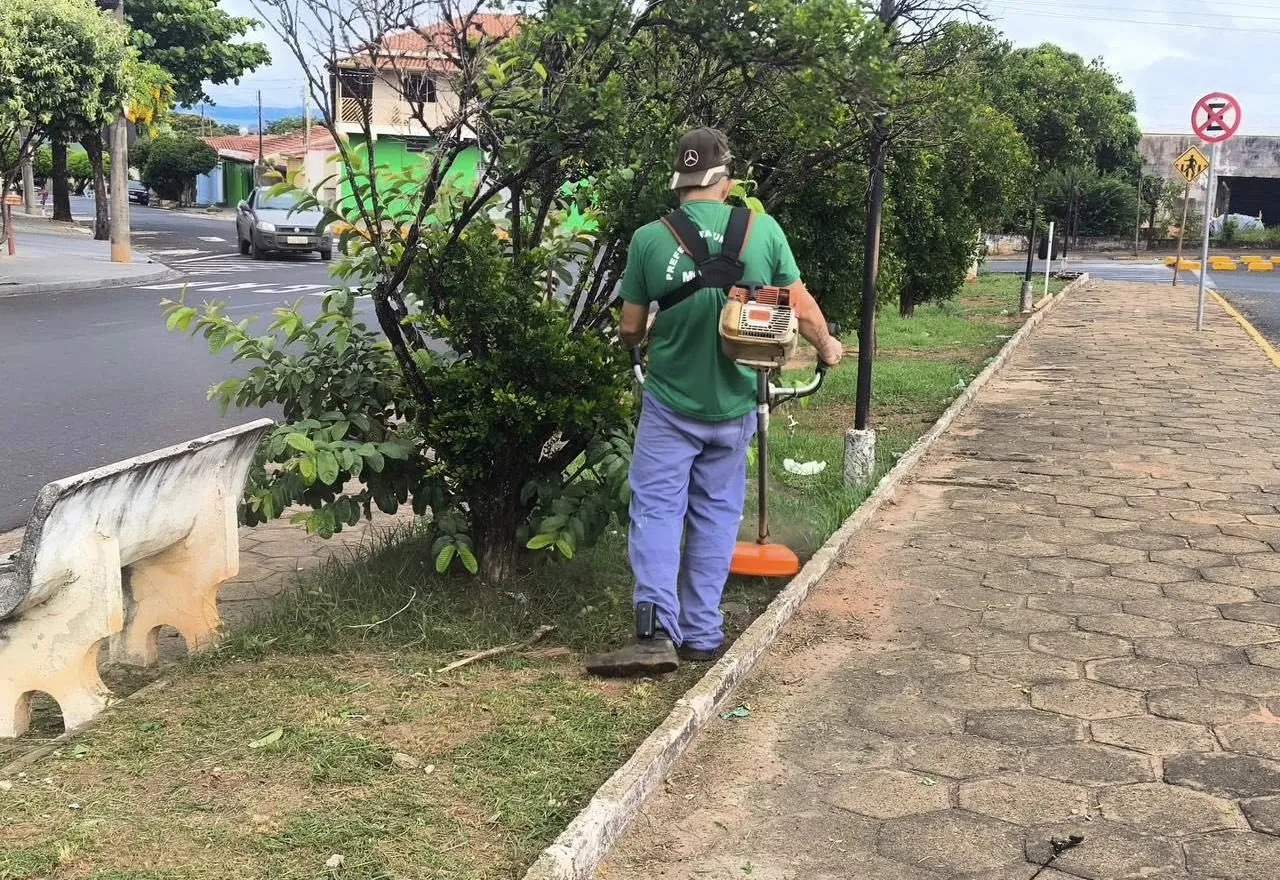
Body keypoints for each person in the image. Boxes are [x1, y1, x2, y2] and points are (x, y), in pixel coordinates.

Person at [585, 127, 844, 677]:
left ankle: (655, 633)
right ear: (725, 184)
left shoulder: (649, 239)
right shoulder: (764, 231)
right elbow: (801, 306)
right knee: (716, 515)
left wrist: (646, 330)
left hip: (670, 405)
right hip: (737, 406)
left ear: (680, 185)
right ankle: (702, 632)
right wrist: (829, 346)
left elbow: (631, 327)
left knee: (657, 511)